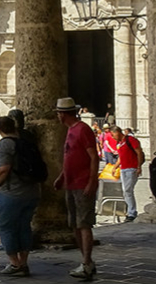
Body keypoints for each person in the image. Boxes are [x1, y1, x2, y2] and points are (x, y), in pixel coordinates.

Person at [53, 97, 99, 281]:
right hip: (70, 184)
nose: (57, 116)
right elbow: (70, 157)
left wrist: (91, 181)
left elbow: (93, 157)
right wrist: (62, 177)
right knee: (74, 224)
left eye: (58, 113)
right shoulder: (71, 130)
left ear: (63, 115)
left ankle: (87, 262)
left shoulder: (83, 130)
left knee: (84, 223)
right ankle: (85, 261)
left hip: (82, 184)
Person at [0, 114, 40, 276]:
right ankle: (24, 262)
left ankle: (14, 263)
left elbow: (3, 168)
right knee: (24, 226)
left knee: (4, 226)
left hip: (11, 193)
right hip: (31, 192)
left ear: (0, 129)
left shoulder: (5, 145)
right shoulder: (25, 141)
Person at [112, 126, 144, 222]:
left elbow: (139, 153)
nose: (113, 137)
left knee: (128, 190)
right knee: (125, 191)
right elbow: (121, 157)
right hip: (123, 169)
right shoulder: (120, 143)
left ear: (118, 132)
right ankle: (130, 210)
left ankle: (132, 212)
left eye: (113, 135)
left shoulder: (130, 140)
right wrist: (115, 166)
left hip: (132, 168)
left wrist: (139, 166)